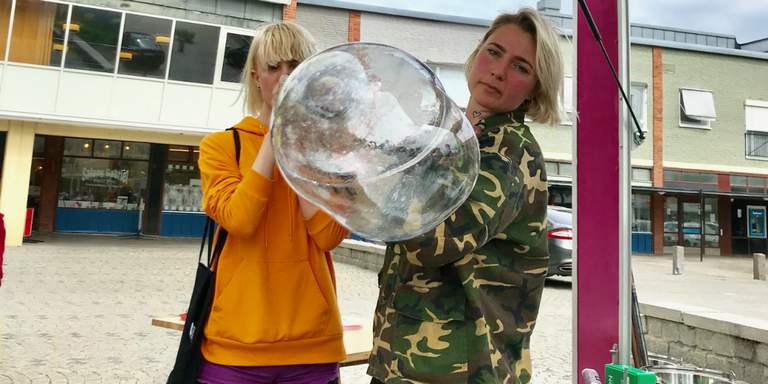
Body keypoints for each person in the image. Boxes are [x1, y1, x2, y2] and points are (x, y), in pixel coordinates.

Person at [367, 8, 563, 384]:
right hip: (405, 364)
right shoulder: (455, 138)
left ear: (535, 90)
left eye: (521, 67)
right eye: (494, 51)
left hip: (460, 372)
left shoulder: (507, 152)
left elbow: (430, 241)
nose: (499, 70)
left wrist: (382, 173)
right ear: (476, 54)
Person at [197, 22, 349, 384]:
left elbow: (328, 236)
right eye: (274, 67)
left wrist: (301, 143)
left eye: (296, 68)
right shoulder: (221, 147)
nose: (286, 77)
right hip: (234, 346)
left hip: (313, 345)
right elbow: (241, 219)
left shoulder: (333, 152)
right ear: (255, 77)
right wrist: (277, 133)